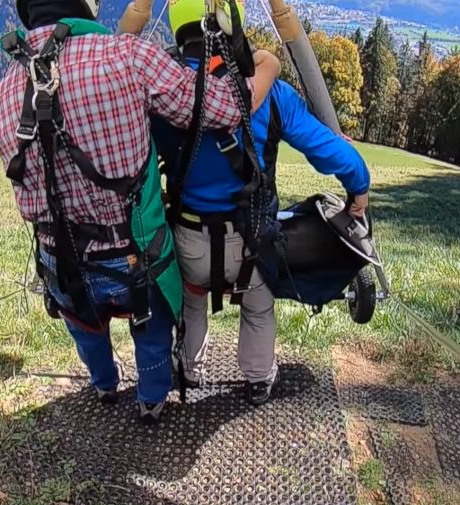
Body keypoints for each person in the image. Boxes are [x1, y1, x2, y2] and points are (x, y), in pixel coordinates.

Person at [0, 0, 281, 423]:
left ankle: (104, 383)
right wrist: (268, 65)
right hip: (133, 251)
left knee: (86, 327)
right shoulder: (127, 58)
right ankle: (151, 397)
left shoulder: (1, 94)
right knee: (151, 329)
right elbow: (225, 108)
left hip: (59, 256)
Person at [149, 0, 371, 406]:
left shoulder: (163, 96)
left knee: (193, 301)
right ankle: (257, 379)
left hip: (189, 239)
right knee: (256, 306)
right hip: (252, 241)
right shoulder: (267, 94)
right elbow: (329, 151)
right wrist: (359, 185)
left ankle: (190, 369)